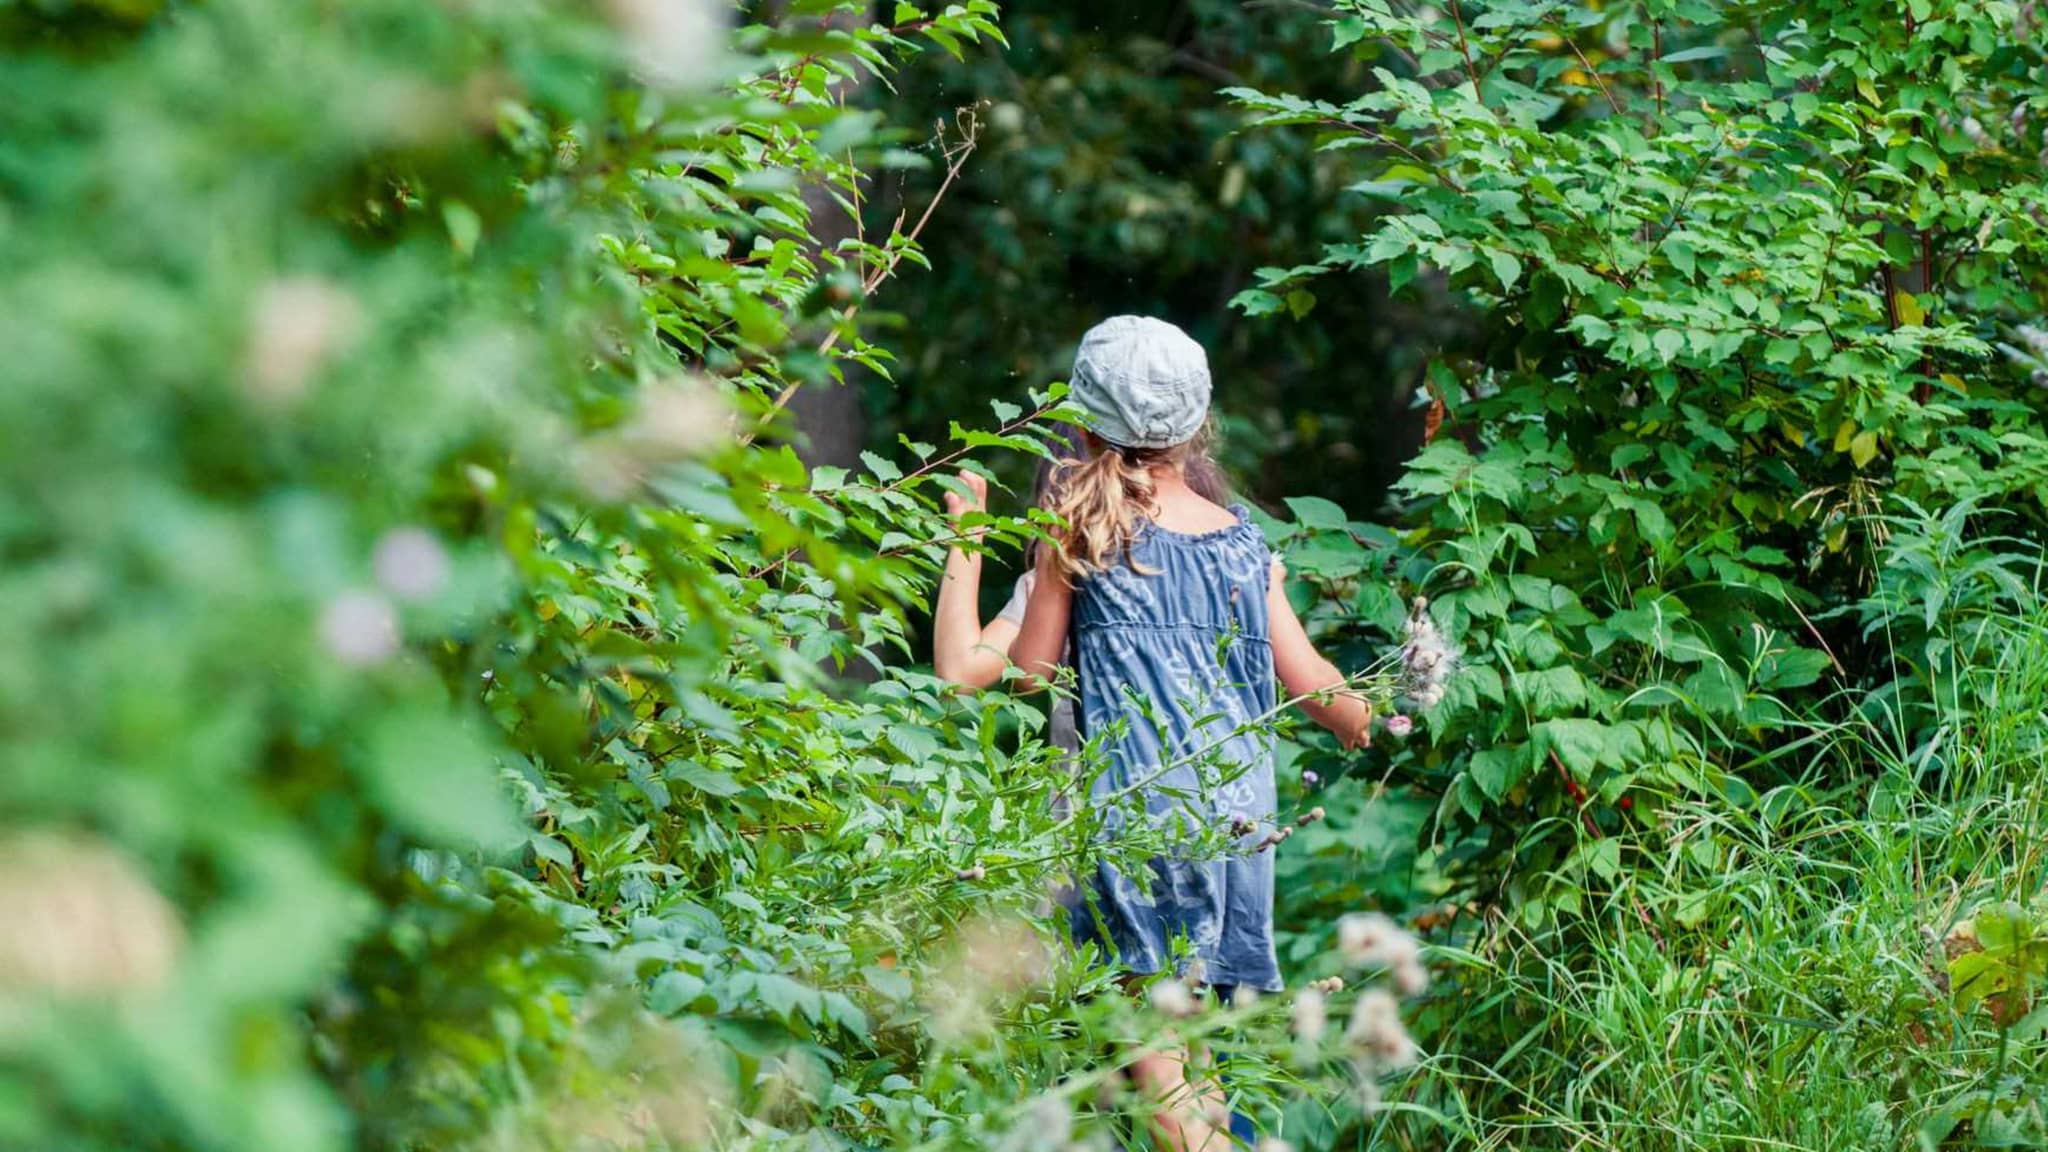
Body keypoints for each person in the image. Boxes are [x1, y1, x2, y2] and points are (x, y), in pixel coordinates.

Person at [1005, 316, 1373, 1152]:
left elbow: (1030, 674)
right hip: (1236, 825)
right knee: (1187, 1041)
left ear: (1085, 424)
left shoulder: (1082, 533)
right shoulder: (1246, 544)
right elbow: (1312, 681)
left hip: (1137, 814)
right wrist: (1369, 716)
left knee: (1155, 1046)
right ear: (1199, 422)